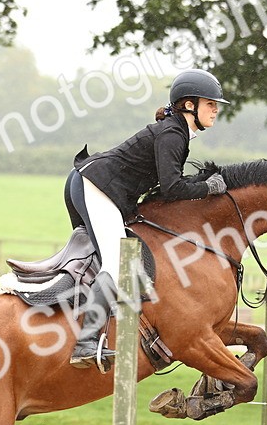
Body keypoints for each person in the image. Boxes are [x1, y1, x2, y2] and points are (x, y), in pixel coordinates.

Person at [65, 68, 230, 369]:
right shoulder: (172, 134)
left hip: (95, 186)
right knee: (117, 265)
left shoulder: (176, 132)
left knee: (114, 258)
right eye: (210, 103)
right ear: (188, 105)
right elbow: (172, 188)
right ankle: (85, 343)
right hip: (96, 187)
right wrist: (208, 187)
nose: (216, 109)